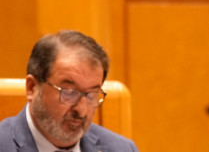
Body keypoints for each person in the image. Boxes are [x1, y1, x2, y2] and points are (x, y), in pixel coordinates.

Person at [0, 30, 138, 151]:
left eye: (91, 95)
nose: (82, 111)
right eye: (69, 92)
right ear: (32, 88)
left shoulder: (122, 149)